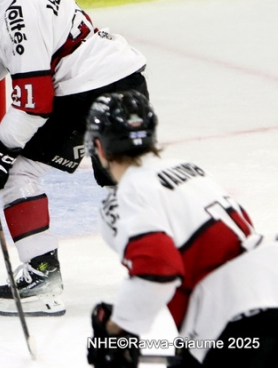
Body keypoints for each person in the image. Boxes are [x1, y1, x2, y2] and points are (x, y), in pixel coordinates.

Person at [0, 0, 148, 317]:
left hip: (92, 96)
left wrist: (1, 148)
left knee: (15, 173)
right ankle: (188, 257)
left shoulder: (21, 9)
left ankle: (43, 277)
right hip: (115, 81)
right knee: (124, 186)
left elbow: (34, 102)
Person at [85, 91, 278, 367]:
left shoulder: (129, 192)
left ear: (99, 148)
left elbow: (157, 270)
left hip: (237, 319)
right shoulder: (189, 168)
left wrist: (115, 330)